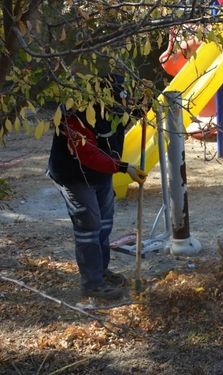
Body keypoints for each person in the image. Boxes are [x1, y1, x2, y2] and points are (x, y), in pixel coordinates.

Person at [47, 74, 147, 300]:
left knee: (104, 222)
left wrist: (148, 106)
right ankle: (92, 284)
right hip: (74, 174)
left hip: (101, 173)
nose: (119, 106)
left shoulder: (115, 104)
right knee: (89, 226)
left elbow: (130, 114)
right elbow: (87, 154)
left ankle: (101, 271)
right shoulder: (73, 114)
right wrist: (122, 167)